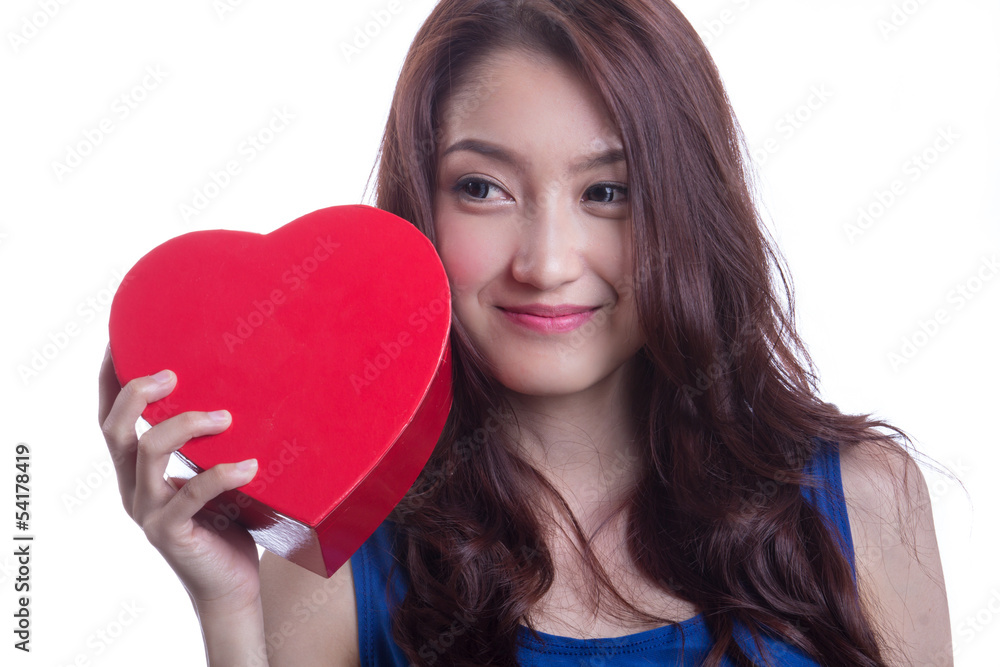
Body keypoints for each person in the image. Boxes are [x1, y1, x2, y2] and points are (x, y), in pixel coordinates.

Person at [98, 0, 953, 664]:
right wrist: (228, 609)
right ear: (417, 204)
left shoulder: (861, 499)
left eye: (607, 193)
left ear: (690, 211)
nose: (546, 262)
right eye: (483, 188)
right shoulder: (333, 549)